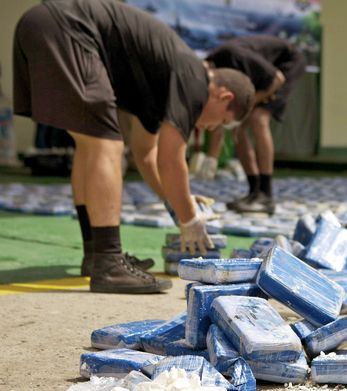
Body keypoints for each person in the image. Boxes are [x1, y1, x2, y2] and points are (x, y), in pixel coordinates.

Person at [13, 0, 255, 293]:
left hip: (45, 25)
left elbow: (147, 155)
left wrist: (177, 200)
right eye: (222, 122)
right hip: (68, 28)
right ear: (224, 97)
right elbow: (170, 158)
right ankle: (109, 263)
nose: (212, 128)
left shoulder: (162, 82)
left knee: (90, 144)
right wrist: (190, 218)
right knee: (107, 145)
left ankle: (95, 255)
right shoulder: (195, 78)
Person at [200, 36, 306, 214]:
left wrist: (250, 105)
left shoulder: (233, 56)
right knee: (236, 126)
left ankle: (266, 194)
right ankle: (253, 191)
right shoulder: (217, 73)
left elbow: (277, 79)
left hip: (285, 66)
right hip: (260, 79)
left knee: (258, 118)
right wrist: (212, 158)